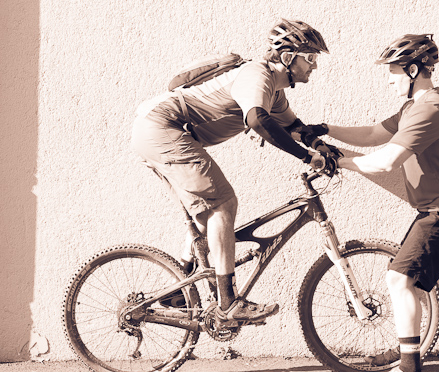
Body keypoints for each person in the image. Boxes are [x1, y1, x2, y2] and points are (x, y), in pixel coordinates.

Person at [131, 19, 337, 327]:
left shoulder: (274, 91)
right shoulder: (257, 74)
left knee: (208, 214)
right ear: (287, 57)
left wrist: (320, 146)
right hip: (163, 127)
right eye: (310, 57)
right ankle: (229, 304)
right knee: (223, 203)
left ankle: (178, 288)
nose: (315, 65)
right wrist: (308, 158)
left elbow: (293, 126)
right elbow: (258, 120)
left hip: (159, 131)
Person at [307, 34, 439, 372]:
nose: (389, 80)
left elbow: (386, 161)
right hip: (438, 208)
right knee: (406, 281)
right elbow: (375, 134)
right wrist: (324, 130)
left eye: (393, 72)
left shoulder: (430, 109)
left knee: (398, 279)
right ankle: (407, 353)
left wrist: (337, 161)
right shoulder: (412, 108)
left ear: (413, 70)